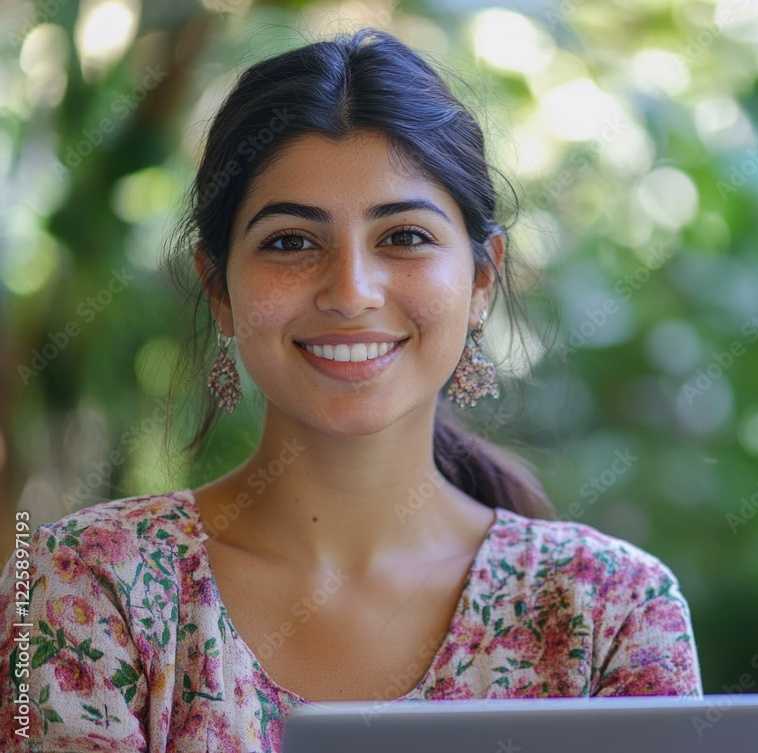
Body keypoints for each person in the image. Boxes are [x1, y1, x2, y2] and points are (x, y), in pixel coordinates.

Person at [0, 26, 702, 752]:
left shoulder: (610, 608)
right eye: (291, 242)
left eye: (403, 236)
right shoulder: (87, 584)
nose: (350, 291)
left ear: (482, 280)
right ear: (219, 290)